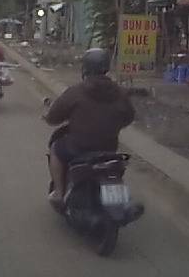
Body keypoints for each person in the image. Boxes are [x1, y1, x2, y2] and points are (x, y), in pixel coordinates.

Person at [42, 48, 135, 207]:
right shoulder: (120, 92)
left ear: (85, 67)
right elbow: (128, 117)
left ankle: (58, 192)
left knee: (56, 149)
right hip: (108, 149)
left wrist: (48, 117)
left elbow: (54, 117)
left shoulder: (76, 91)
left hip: (78, 148)